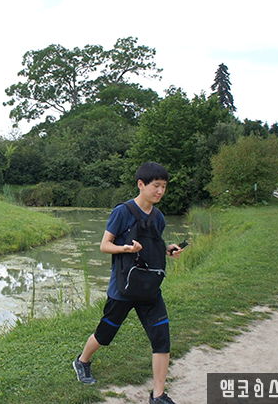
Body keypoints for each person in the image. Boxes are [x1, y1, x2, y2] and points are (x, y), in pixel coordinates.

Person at [73, 162, 184, 404]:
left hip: (150, 288)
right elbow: (104, 245)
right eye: (156, 186)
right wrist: (125, 248)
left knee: (161, 338)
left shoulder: (158, 217)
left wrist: (168, 250)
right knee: (105, 334)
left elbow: (153, 246)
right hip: (123, 289)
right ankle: (82, 361)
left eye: (164, 186)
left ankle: (158, 395)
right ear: (141, 184)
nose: (160, 191)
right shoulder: (122, 212)